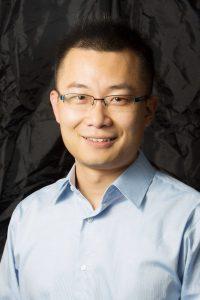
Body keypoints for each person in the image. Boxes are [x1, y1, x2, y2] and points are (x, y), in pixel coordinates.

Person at [0, 18, 200, 300]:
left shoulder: (191, 219)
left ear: (149, 110)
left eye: (118, 99)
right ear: (56, 106)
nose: (97, 119)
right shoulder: (28, 217)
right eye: (80, 96)